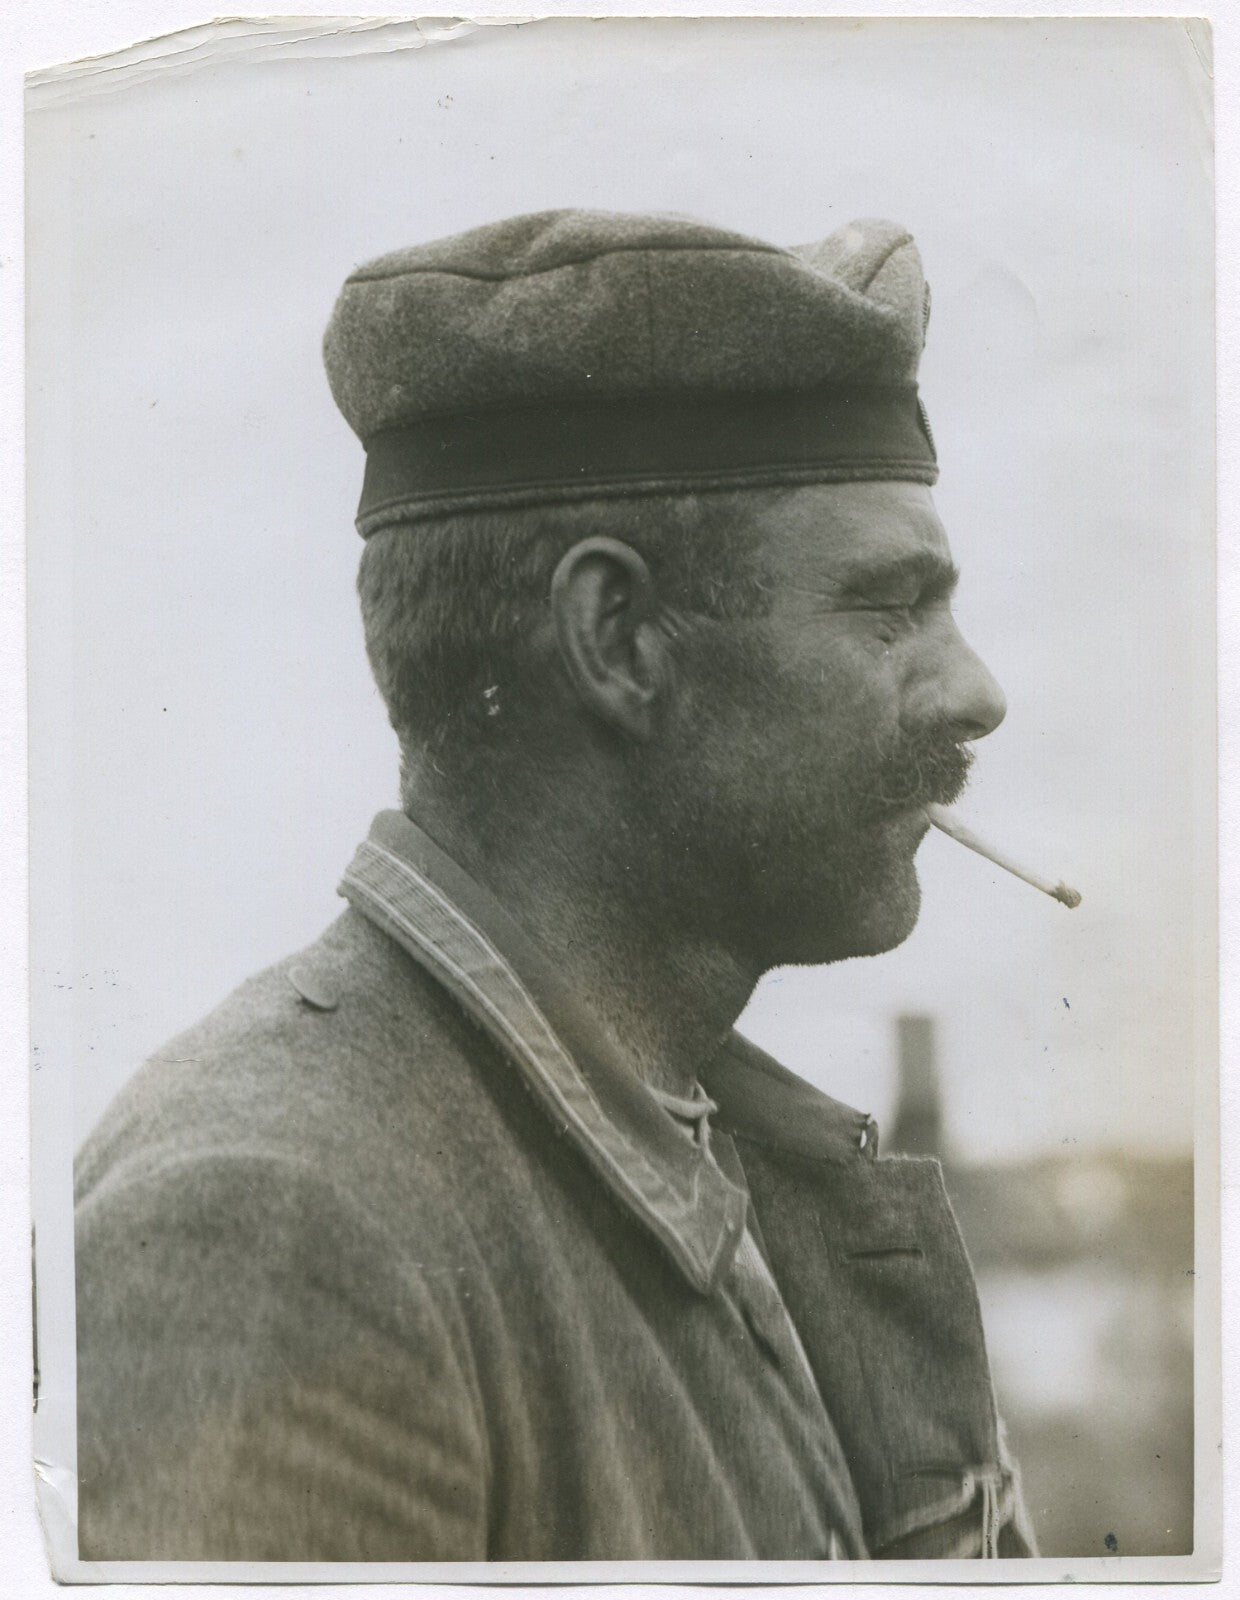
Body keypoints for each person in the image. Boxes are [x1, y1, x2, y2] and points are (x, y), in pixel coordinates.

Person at [74, 209, 1036, 1562]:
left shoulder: (757, 1164)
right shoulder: (285, 1224)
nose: (976, 691)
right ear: (620, 637)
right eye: (890, 605)